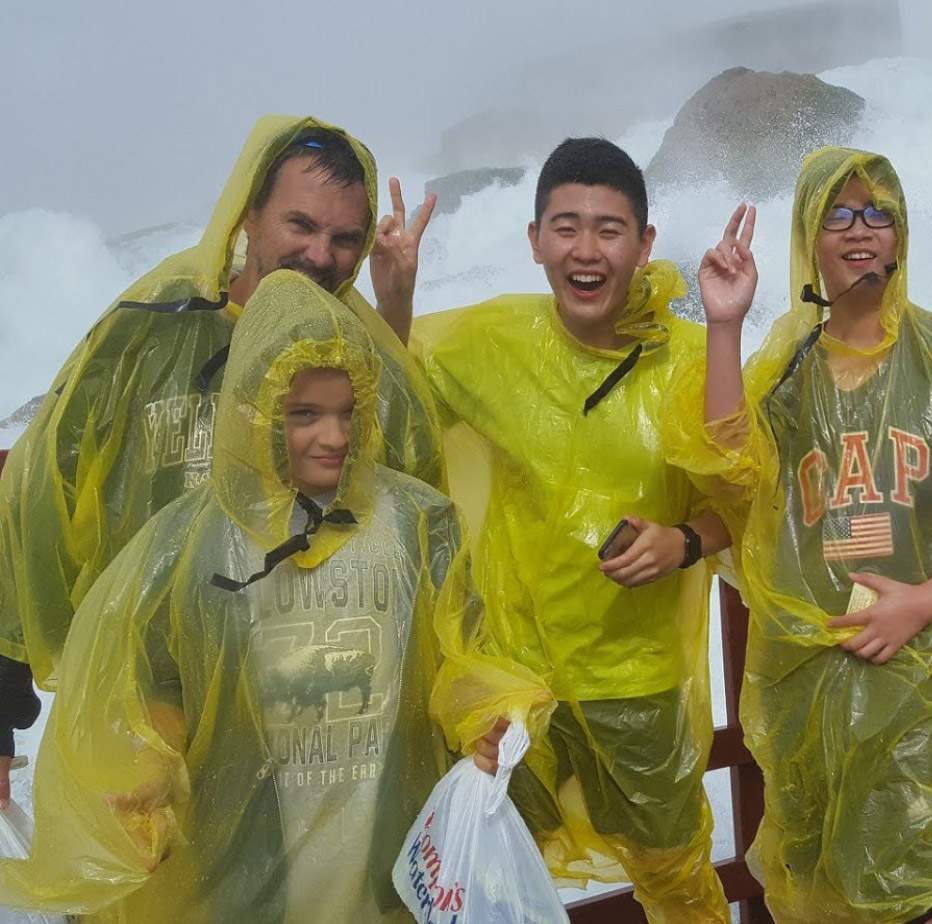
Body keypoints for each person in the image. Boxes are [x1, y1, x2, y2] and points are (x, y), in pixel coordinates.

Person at [0, 270, 550, 924]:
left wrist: (490, 718)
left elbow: (463, 653)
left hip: (382, 855)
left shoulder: (417, 525)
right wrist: (145, 775)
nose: (335, 437)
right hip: (242, 869)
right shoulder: (190, 545)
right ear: (250, 412)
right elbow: (155, 683)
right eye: (305, 415)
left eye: (349, 412)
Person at [0, 115, 444, 794]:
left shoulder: (362, 353)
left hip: (313, 736)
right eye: (301, 225)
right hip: (150, 731)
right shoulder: (147, 332)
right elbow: (35, 498)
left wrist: (394, 310)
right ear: (249, 216)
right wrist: (3, 702)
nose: (321, 256)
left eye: (344, 238)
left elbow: (416, 523)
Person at [676, 147, 932, 924]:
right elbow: (730, 469)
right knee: (814, 866)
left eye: (878, 212)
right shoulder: (785, 366)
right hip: (804, 668)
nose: (861, 231)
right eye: (839, 215)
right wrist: (724, 324)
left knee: (915, 872)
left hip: (910, 666)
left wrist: (921, 604)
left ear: (901, 232)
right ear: (809, 238)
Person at [397, 138, 730, 924]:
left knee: (675, 874)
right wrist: (394, 295)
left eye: (609, 230)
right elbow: (386, 402)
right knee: (485, 870)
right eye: (566, 227)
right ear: (535, 239)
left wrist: (684, 541)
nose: (586, 250)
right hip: (515, 687)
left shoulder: (689, 359)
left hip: (636, 682)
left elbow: (747, 500)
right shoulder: (492, 341)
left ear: (645, 244)